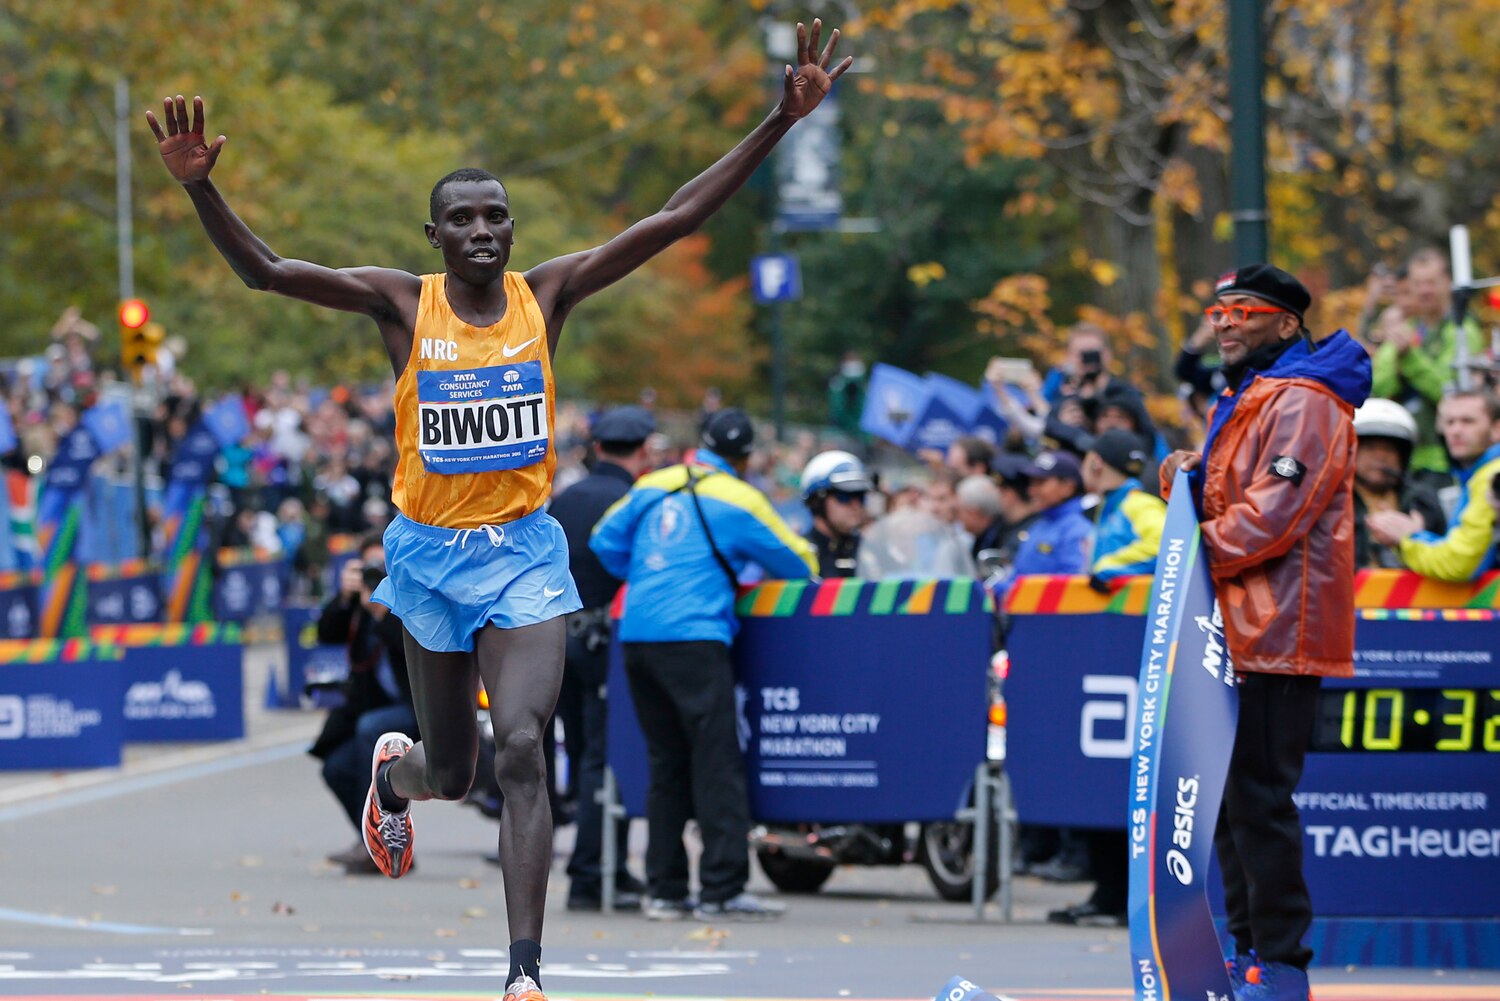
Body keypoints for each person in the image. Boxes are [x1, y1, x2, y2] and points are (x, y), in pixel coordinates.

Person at [147, 25, 849, 999]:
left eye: (496, 216)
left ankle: (523, 972)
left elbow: (677, 217)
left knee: (525, 746)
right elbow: (267, 270)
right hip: (429, 559)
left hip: (525, 552)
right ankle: (395, 779)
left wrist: (777, 121)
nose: (483, 230)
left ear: (512, 230)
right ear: (434, 236)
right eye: (464, 218)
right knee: (456, 771)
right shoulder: (402, 305)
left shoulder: (546, 293)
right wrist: (198, 186)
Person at [1159, 263, 1371, 1001]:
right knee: (1229, 801)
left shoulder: (1307, 401)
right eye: (1218, 311)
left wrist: (1192, 548)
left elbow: (1274, 516)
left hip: (1279, 629)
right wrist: (1189, 471)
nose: (1224, 322)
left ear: (1287, 323)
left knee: (1259, 799)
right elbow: (1243, 495)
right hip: (1238, 625)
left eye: (1243, 310)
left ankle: (1283, 966)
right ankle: (1250, 955)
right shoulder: (1254, 396)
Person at [589, 408, 817, 921]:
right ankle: (721, 888)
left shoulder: (657, 482)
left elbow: (604, 538)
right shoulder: (740, 498)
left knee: (666, 764)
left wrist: (649, 573)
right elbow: (800, 562)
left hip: (639, 634)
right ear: (744, 456)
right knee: (716, 762)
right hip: (695, 636)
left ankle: (665, 890)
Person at [545, 406, 656, 912]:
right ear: (643, 452)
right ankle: (593, 873)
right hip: (605, 643)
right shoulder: (632, 501)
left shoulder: (564, 499)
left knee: (584, 753)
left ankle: (604, 865)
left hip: (556, 639)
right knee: (604, 758)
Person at [307, 535, 417, 876]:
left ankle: (391, 841)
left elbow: (412, 653)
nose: (375, 577)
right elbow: (326, 634)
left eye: (382, 569)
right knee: (335, 767)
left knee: (370, 729)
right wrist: (343, 597)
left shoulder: (412, 599)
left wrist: (384, 613)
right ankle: (371, 843)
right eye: (368, 568)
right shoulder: (357, 603)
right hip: (371, 710)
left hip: (419, 709)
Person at [1369, 248, 1487, 484]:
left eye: (1431, 282)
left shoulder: (1462, 330)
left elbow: (1449, 390)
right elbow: (1377, 388)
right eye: (1418, 283)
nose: (1424, 290)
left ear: (1447, 283)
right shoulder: (1407, 328)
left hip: (1446, 459)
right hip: (1404, 456)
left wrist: (1408, 359)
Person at [1366, 390, 1500, 580]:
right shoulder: (1474, 475)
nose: (1455, 430)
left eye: (1468, 421)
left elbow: (1458, 563)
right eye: (1450, 422)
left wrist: (1407, 538)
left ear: (1497, 428)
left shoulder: (1491, 476)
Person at [1348, 398, 1445, 570]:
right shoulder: (1335, 500)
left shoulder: (1423, 500)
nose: (1380, 457)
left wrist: (1417, 535)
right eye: (1370, 447)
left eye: (1389, 449)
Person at [1082, 429, 1165, 590]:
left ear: (1095, 462)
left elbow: (1165, 547)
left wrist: (1106, 569)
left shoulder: (1139, 504)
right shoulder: (1110, 506)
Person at [799, 450, 872, 577]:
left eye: (860, 495)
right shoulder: (799, 555)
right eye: (844, 496)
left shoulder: (870, 550)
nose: (856, 505)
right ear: (816, 501)